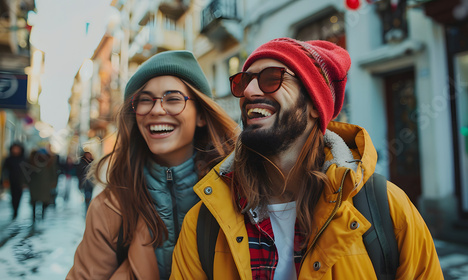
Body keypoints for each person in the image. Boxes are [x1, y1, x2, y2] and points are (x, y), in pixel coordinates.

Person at [171, 38, 443, 279]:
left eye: (271, 78)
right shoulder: (205, 222)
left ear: (314, 104)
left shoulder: (387, 209)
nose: (250, 92)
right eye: (244, 81)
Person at [67, 50, 238, 279]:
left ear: (201, 116)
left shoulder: (240, 193)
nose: (156, 110)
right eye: (145, 100)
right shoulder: (109, 208)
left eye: (174, 99)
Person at [27, 148, 59, 221]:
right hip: (35, 185)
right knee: (34, 201)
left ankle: (42, 216)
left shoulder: (50, 162)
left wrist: (53, 182)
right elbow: (28, 173)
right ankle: (34, 217)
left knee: (44, 201)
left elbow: (53, 173)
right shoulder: (32, 161)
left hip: (46, 185)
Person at [1, 143, 26, 219]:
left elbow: (27, 171)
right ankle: (14, 211)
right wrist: (4, 180)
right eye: (14, 148)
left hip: (21, 181)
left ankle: (16, 209)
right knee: (13, 196)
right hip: (11, 180)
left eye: (17, 148)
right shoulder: (8, 159)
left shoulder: (24, 159)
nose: (16, 150)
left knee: (19, 196)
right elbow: (4, 170)